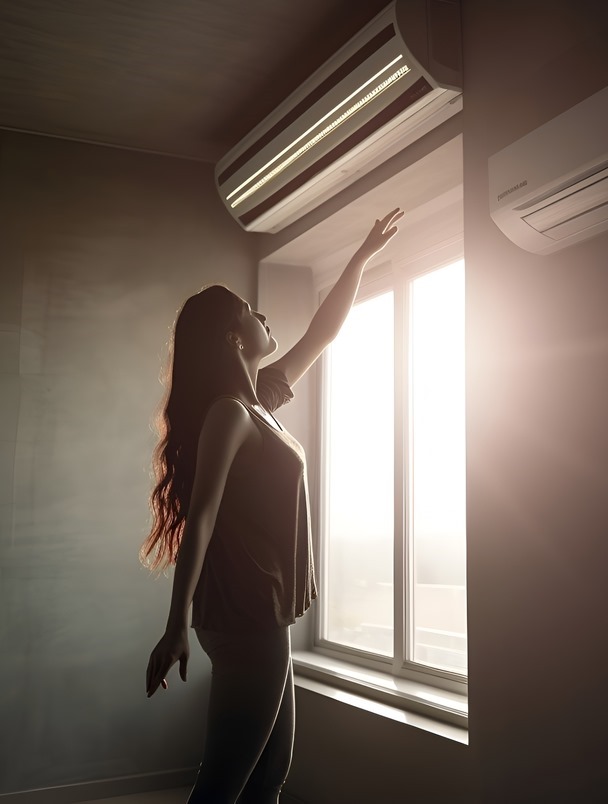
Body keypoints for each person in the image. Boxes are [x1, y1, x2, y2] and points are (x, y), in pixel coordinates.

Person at [142, 208, 404, 803]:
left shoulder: (256, 400)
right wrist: (175, 622)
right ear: (236, 339)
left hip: (258, 614)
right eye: (250, 313)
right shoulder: (230, 415)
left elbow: (324, 332)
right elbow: (202, 514)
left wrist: (361, 258)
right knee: (226, 783)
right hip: (245, 615)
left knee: (268, 775)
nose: (264, 316)